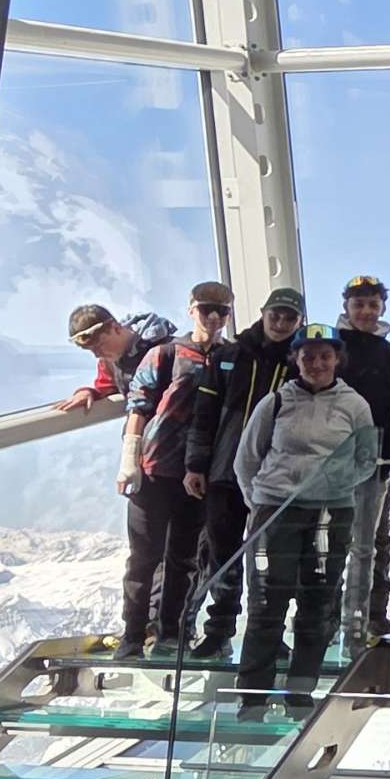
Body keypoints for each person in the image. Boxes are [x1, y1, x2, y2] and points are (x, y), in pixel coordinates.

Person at [232, 324, 377, 712]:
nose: (317, 363)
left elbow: (367, 460)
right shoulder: (275, 402)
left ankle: (300, 692)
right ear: (295, 359)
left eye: (325, 356)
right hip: (275, 514)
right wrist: (261, 502)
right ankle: (253, 698)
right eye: (308, 356)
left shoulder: (355, 406)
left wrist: (334, 483)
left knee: (317, 605)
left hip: (331, 514)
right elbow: (247, 459)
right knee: (266, 603)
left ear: (337, 359)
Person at [111, 282, 233, 659]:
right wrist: (130, 458)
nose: (214, 317)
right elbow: (139, 405)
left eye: (222, 311)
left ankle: (170, 633)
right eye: (206, 309)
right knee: (143, 557)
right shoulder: (166, 354)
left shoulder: (233, 357)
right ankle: (132, 635)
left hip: (201, 474)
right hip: (155, 468)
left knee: (183, 558)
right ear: (191, 309)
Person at [182, 287, 305, 659]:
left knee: (270, 560)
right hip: (224, 473)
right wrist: (195, 465)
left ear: (299, 322)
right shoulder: (229, 356)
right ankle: (218, 633)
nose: (280, 323)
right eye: (275, 315)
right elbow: (204, 415)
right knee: (224, 556)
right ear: (263, 313)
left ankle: (267, 634)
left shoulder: (301, 363)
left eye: (289, 317)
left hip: (275, 478)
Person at [335, 276, 390, 650]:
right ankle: (325, 618)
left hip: (374, 462)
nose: (366, 311)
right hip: (327, 465)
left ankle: (362, 620)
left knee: (370, 543)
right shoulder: (329, 348)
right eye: (359, 304)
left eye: (372, 305)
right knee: (328, 541)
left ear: (382, 308)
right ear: (346, 307)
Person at [61, 306, 179, 414]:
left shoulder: (167, 349)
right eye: (91, 350)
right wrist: (87, 393)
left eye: (101, 345)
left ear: (116, 328)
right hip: (146, 425)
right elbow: (105, 390)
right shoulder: (108, 362)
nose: (97, 355)